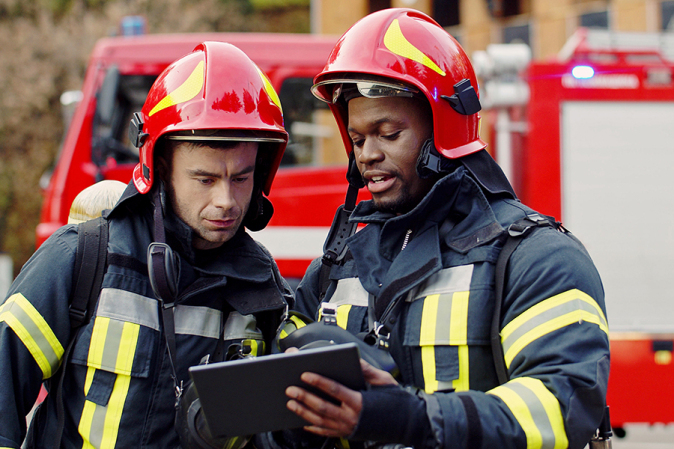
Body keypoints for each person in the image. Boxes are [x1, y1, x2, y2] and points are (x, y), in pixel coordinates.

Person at [280, 8, 609, 449]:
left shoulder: (537, 258)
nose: (368, 155)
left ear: (443, 128)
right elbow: (279, 388)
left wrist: (413, 419)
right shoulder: (336, 266)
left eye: (388, 132)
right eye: (358, 139)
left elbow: (560, 405)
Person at [0, 41, 293, 448]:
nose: (226, 201)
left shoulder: (264, 291)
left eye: (241, 178)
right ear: (160, 168)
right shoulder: (84, 259)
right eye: (205, 179)